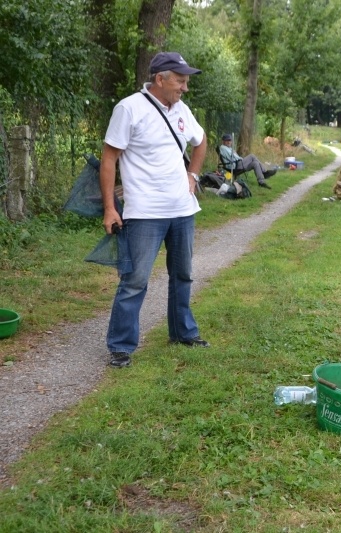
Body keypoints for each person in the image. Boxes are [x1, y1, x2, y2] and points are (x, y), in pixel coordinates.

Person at [100, 52, 209, 368]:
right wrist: (110, 208)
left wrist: (193, 175)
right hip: (145, 213)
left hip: (182, 210)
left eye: (187, 81)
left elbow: (200, 142)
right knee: (134, 280)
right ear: (160, 79)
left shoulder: (182, 110)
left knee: (183, 275)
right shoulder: (129, 109)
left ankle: (183, 333)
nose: (185, 88)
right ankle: (121, 346)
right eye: (180, 80)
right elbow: (109, 159)